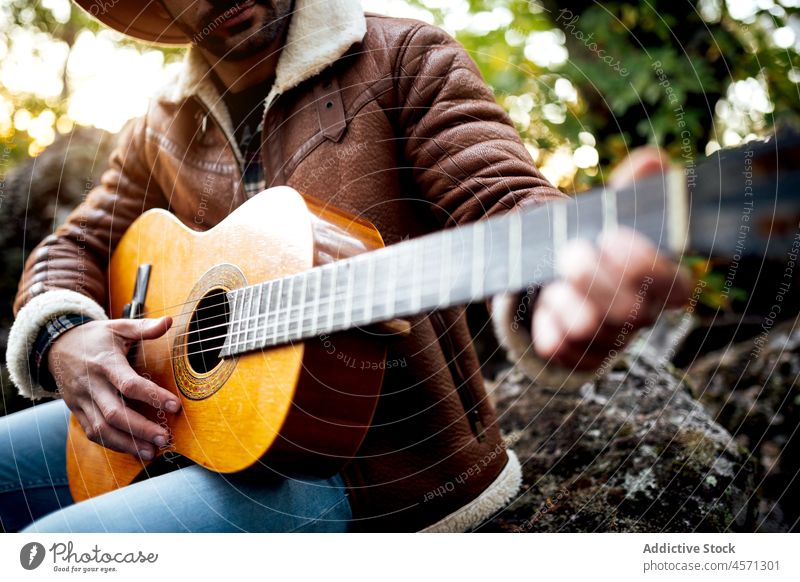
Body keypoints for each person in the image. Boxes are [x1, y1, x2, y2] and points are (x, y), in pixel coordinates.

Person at [1, 0, 690, 533]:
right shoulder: (159, 124)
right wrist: (64, 337)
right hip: (189, 435)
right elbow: (75, 244)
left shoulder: (404, 55)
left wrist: (564, 278)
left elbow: (502, 199)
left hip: (368, 474)